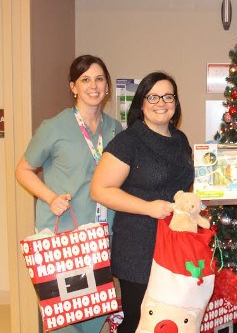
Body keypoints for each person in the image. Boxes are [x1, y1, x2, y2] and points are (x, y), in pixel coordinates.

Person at [15, 54, 122, 333]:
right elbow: (23, 170)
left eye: (99, 79)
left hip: (101, 236)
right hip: (63, 237)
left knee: (95, 314)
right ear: (73, 87)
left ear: (107, 86)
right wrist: (50, 197)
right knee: (65, 318)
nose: (93, 86)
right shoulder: (54, 127)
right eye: (85, 79)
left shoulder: (115, 129)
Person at [90, 71, 194, 333]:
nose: (162, 102)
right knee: (139, 322)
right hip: (139, 246)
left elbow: (182, 186)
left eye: (168, 96)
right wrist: (148, 207)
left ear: (176, 102)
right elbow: (100, 189)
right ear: (141, 103)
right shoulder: (129, 141)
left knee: (172, 319)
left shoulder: (180, 140)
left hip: (175, 243)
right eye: (153, 96)